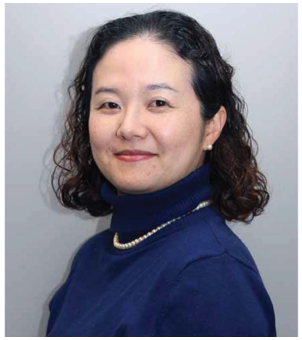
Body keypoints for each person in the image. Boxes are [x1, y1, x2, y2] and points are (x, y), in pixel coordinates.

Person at [46, 9, 277, 337]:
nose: (128, 128)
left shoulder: (211, 273)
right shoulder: (93, 255)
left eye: (158, 102)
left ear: (211, 127)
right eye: (110, 104)